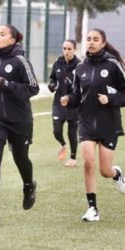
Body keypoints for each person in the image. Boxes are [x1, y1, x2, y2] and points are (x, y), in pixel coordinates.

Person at [60, 28, 125, 222]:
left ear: (103, 43)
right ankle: (92, 209)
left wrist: (111, 99)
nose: (91, 42)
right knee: (88, 162)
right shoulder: (81, 67)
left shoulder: (113, 65)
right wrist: (68, 100)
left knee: (105, 170)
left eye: (96, 39)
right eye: (89, 39)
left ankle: (117, 174)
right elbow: (77, 95)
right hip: (86, 122)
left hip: (108, 123)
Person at [0, 24, 39, 222]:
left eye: (2, 34)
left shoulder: (20, 60)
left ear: (13, 40)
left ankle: (29, 185)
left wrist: (8, 85)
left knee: (21, 159)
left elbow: (33, 88)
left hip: (20, 120)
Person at [48, 39, 80, 167]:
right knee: (56, 131)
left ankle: (73, 157)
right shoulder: (57, 63)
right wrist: (52, 85)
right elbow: (52, 78)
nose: (66, 51)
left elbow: (82, 86)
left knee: (72, 131)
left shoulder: (80, 65)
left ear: (75, 50)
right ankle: (63, 144)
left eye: (69, 49)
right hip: (58, 103)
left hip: (74, 104)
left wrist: (70, 97)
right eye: (64, 48)